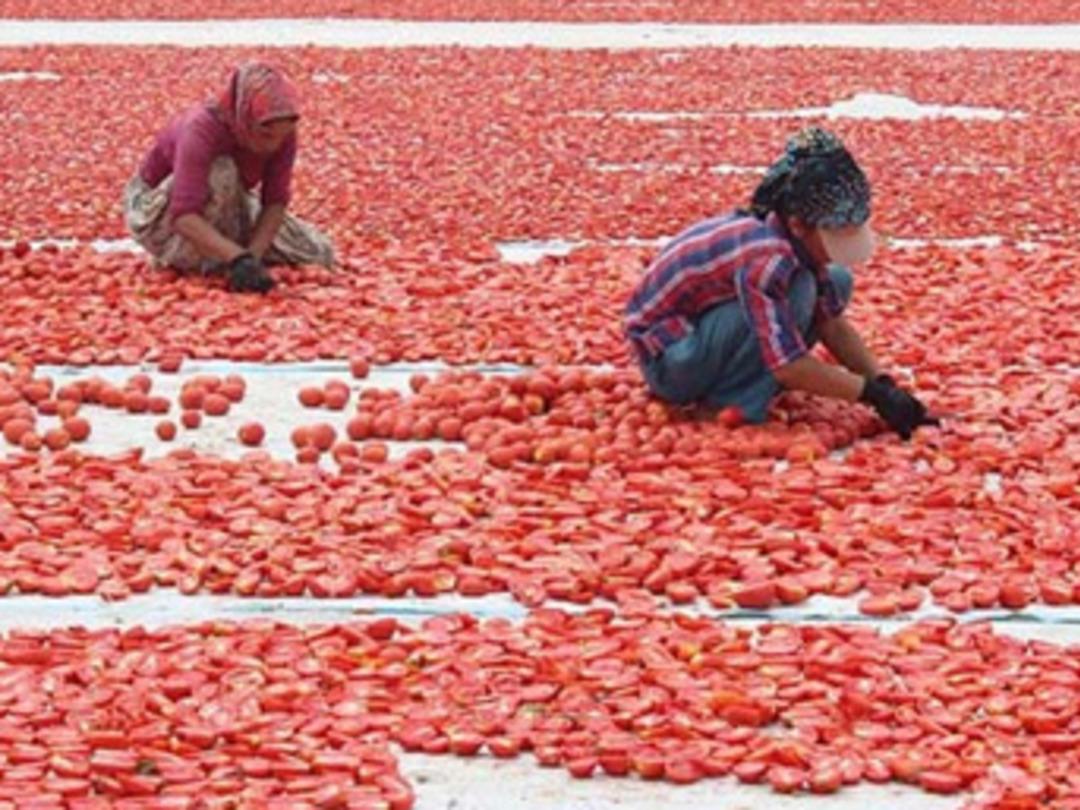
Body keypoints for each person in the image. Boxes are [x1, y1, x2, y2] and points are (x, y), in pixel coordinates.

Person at [624, 127, 936, 439]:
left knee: (836, 281)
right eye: (834, 236)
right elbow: (788, 366)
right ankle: (728, 403)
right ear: (800, 225)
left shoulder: (794, 238)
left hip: (700, 335)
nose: (840, 246)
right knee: (797, 292)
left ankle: (744, 381)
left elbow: (832, 324)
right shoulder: (768, 257)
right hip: (670, 360)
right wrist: (869, 394)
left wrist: (883, 384)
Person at [124, 62, 334, 293]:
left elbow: (275, 201)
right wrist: (237, 258)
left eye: (281, 137)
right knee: (223, 171)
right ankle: (179, 253)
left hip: (230, 202)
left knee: (317, 251)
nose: (273, 145)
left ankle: (218, 253)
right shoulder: (201, 130)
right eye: (265, 134)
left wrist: (253, 257)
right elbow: (183, 215)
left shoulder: (283, 133)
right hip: (161, 211)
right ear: (245, 117)